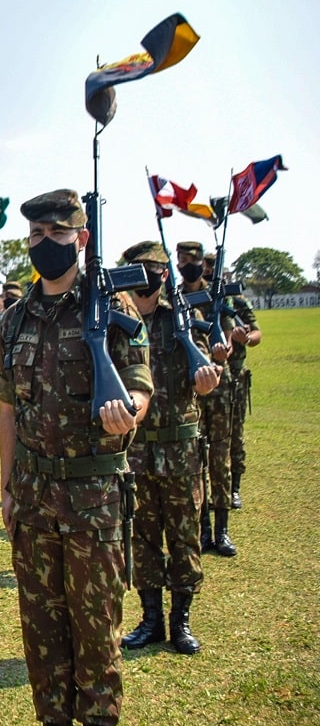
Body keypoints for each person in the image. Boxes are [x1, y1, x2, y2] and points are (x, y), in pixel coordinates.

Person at [0, 189, 153, 726]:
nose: (45, 245)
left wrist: (128, 411)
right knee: (41, 629)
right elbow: (9, 412)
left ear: (81, 239)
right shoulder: (12, 322)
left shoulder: (113, 310)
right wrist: (7, 488)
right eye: (36, 236)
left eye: (57, 235)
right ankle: (54, 723)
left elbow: (140, 387)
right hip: (35, 498)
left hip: (95, 499)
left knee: (96, 626)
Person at [118, 240, 221, 656]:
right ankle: (150, 619)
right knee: (142, 538)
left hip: (180, 453)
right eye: (137, 272)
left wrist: (208, 378)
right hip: (136, 451)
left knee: (184, 537)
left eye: (153, 272)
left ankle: (181, 621)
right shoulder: (116, 322)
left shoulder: (184, 319)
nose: (146, 282)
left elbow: (209, 372)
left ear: (164, 276)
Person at [175, 241, 237, 556]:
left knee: (219, 459)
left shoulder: (217, 298)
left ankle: (222, 531)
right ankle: (203, 528)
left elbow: (231, 336)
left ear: (201, 262)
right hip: (188, 391)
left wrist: (224, 353)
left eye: (192, 259)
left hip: (219, 389)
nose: (187, 264)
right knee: (195, 462)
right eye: (181, 259)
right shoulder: (172, 299)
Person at [204, 251, 260, 510]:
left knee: (234, 433)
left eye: (211, 268)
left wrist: (245, 338)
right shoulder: (197, 297)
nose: (207, 272)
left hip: (234, 373)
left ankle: (234, 487)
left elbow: (256, 332)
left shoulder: (235, 300)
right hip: (205, 373)